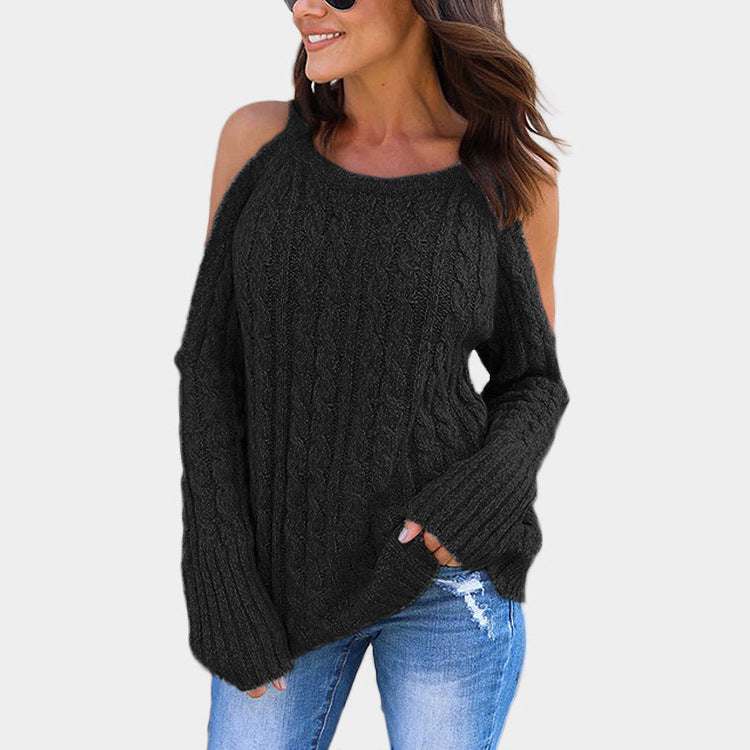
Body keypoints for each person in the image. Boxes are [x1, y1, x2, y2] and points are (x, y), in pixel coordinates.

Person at [173, 1, 570, 747]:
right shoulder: (259, 144)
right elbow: (211, 371)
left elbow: (533, 379)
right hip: (280, 582)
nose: (305, 6)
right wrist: (220, 576)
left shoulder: (504, 174)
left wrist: (481, 497)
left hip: (444, 576)